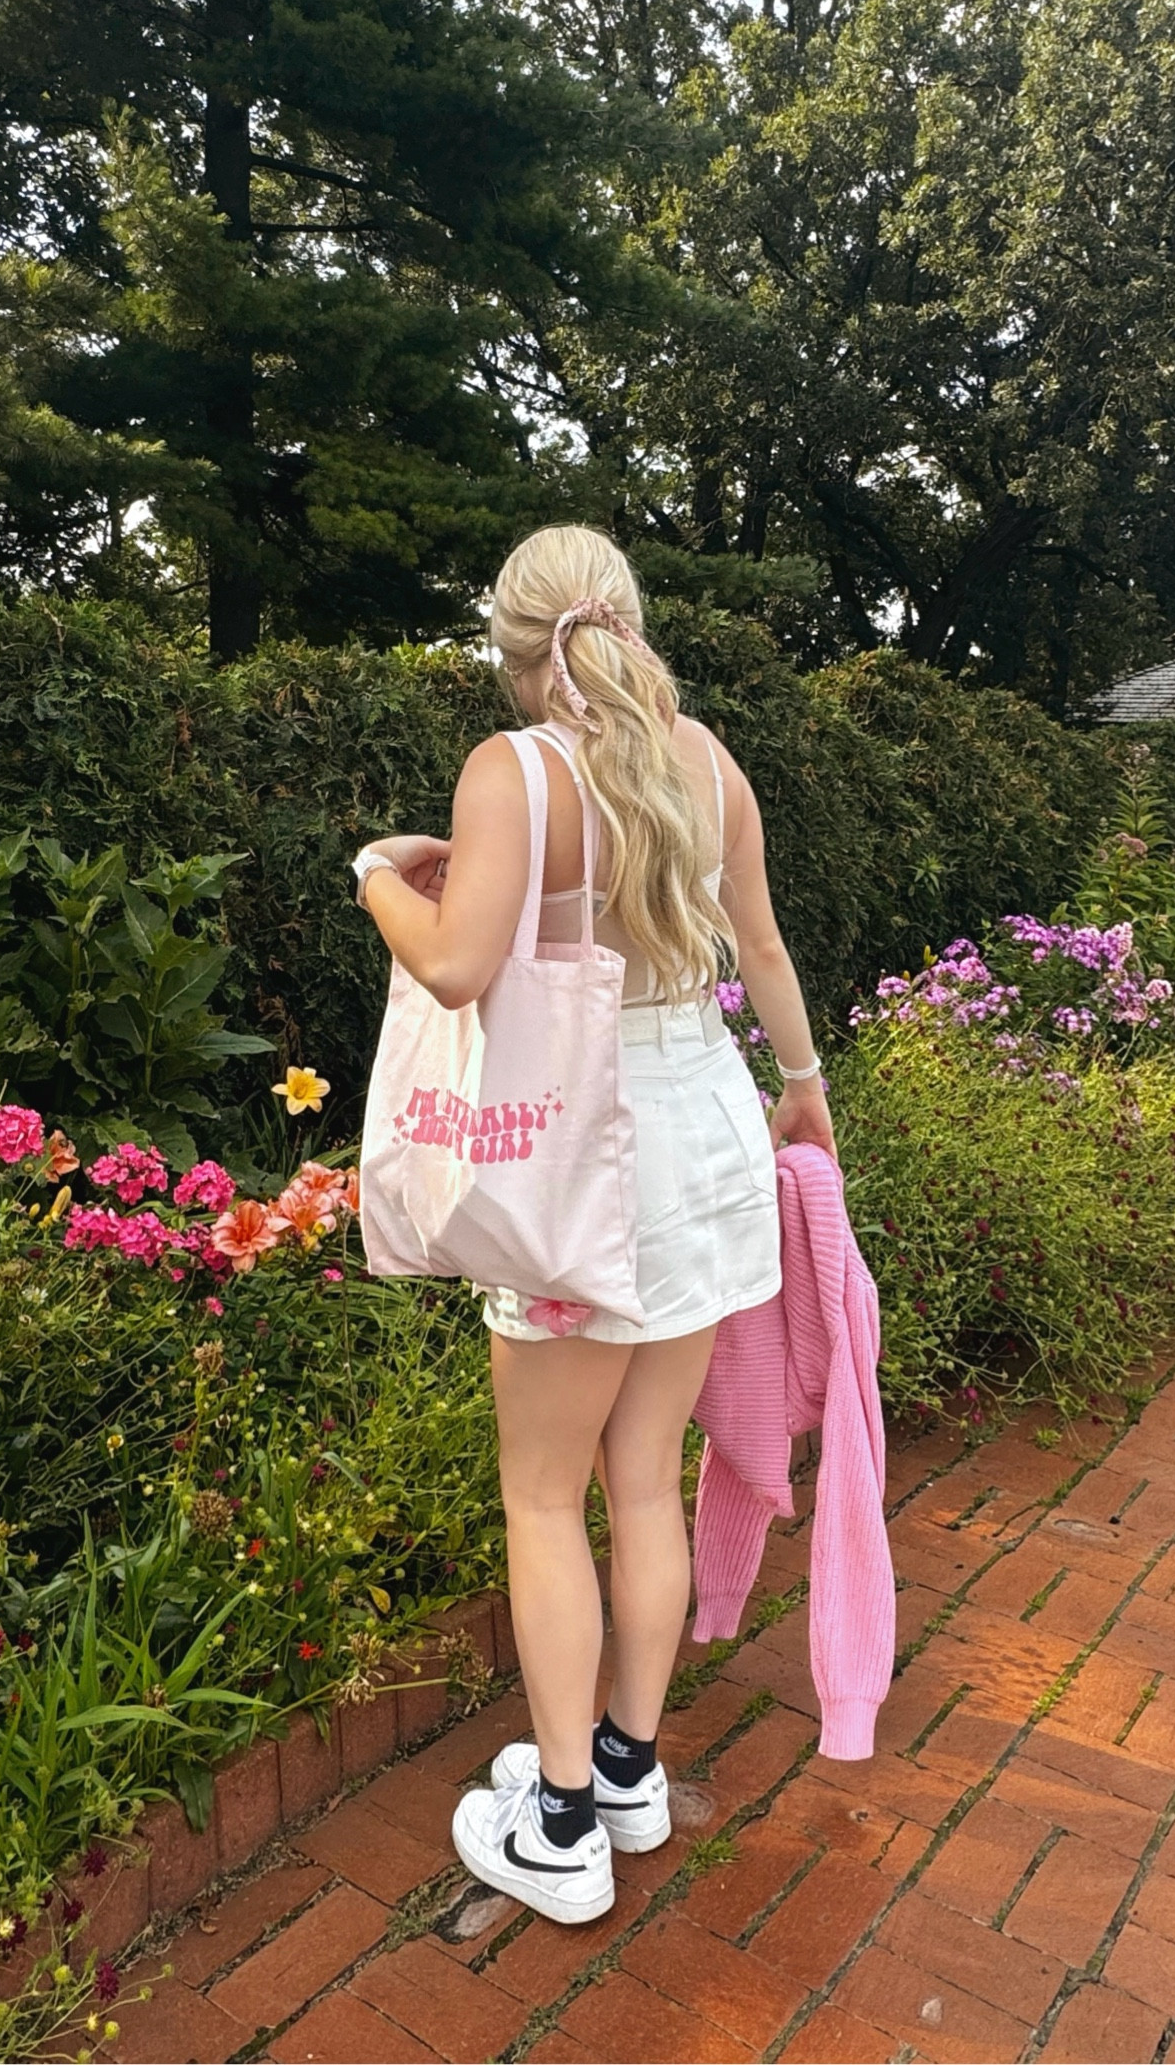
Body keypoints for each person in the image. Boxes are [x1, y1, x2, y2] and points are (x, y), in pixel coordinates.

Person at [352, 524, 835, 1924]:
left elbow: (452, 966)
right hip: (707, 1142)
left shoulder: (515, 773)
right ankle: (625, 1764)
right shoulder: (705, 759)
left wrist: (380, 869)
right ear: (626, 622)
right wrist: (804, 1088)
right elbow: (764, 942)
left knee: (544, 1491)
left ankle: (558, 1823)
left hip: (578, 1168)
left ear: (512, 650)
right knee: (642, 1482)